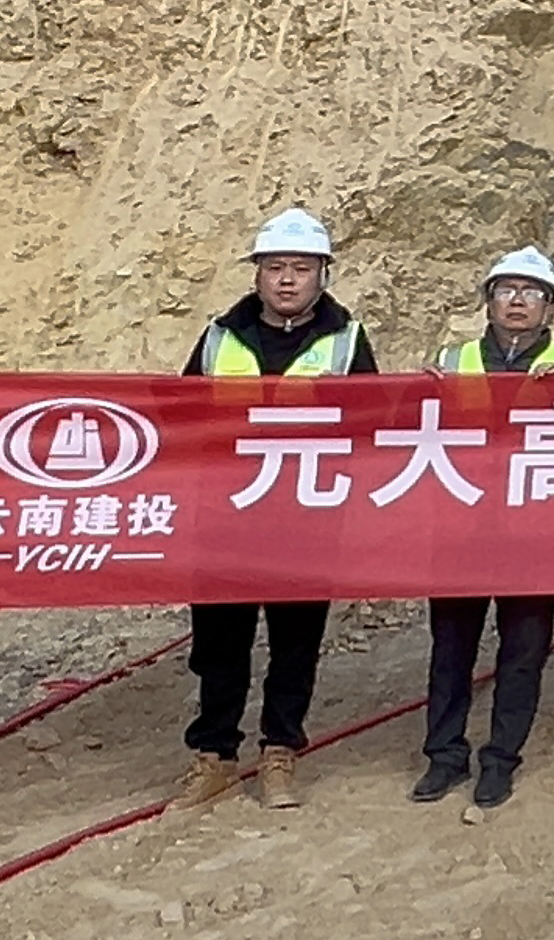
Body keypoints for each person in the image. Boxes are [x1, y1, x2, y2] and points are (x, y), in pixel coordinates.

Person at [176, 209, 378, 811]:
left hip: (305, 519)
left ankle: (280, 752)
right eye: (275, 267)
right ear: (257, 274)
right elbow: (180, 414)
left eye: (301, 268)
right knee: (220, 644)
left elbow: (373, 423)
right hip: (226, 517)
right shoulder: (219, 337)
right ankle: (214, 755)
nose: (287, 279)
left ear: (323, 274)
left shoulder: (346, 341)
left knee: (295, 642)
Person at [416, 247, 554, 807]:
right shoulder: (453, 360)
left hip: (536, 533)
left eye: (531, 292)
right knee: (451, 650)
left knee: (522, 652)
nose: (517, 301)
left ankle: (500, 759)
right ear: (487, 301)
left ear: (551, 307)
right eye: (506, 290)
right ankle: (444, 756)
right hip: (462, 527)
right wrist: (418, 391)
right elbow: (412, 431)